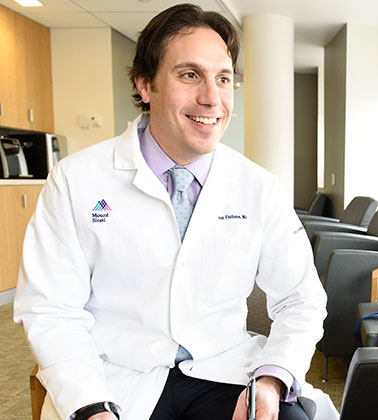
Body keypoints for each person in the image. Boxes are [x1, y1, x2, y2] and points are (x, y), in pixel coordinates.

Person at [13, 4, 337, 420]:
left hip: (227, 372)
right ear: (145, 84)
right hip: (114, 378)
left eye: (223, 78)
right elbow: (50, 307)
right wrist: (90, 406)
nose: (211, 97)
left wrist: (273, 379)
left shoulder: (258, 187)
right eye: (189, 75)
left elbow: (302, 299)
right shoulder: (76, 180)